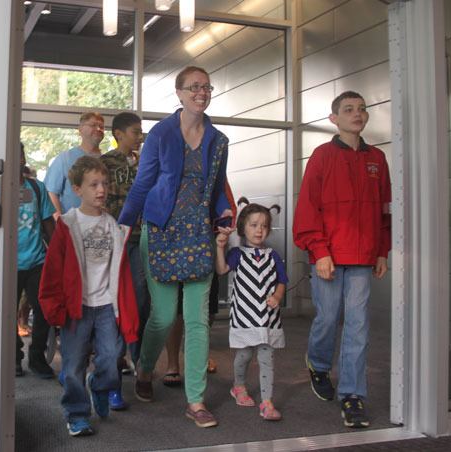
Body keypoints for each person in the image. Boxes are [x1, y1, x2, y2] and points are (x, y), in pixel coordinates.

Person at [118, 66, 234, 428]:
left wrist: (224, 213)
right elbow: (143, 184)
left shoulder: (219, 140)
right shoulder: (161, 134)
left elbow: (215, 190)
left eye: (206, 86)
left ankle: (196, 401)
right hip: (162, 231)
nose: (202, 92)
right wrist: (124, 223)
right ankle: (145, 368)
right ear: (179, 93)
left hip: (199, 235)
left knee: (198, 319)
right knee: (164, 316)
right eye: (194, 87)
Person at [293, 91, 391, 428]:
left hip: (364, 257)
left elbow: (385, 211)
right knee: (328, 317)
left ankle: (352, 395)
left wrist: (382, 250)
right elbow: (307, 209)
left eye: (362, 109)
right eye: (348, 109)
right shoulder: (321, 156)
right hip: (329, 257)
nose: (357, 114)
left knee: (358, 326)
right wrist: (319, 251)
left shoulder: (377, 158)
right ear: (334, 119)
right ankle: (318, 364)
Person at [39, 156, 138, 437]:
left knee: (111, 360)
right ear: (77, 188)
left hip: (107, 306)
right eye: (93, 184)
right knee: (72, 366)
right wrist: (55, 307)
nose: (101, 190)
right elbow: (53, 271)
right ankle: (77, 414)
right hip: (77, 307)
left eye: (104, 183)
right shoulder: (68, 225)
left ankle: (99, 385)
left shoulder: (113, 227)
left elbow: (121, 274)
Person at [215, 197, 287, 421]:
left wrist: (277, 296)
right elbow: (222, 269)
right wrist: (220, 247)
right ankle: (238, 386)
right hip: (244, 317)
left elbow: (282, 281)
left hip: (268, 318)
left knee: (267, 358)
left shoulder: (273, 256)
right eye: (254, 225)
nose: (259, 230)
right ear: (243, 228)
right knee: (244, 355)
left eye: (264, 226)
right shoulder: (237, 254)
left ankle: (266, 402)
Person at [100, 111, 148, 410]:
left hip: (141, 241)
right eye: (134, 131)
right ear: (118, 133)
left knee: (141, 302)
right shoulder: (104, 164)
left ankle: (139, 360)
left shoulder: (145, 162)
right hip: (114, 243)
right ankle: (112, 376)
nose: (139, 136)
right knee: (114, 308)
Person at [16, 144, 56, 378]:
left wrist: (57, 256)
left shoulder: (36, 188)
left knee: (44, 309)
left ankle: (37, 357)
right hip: (7, 264)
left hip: (36, 261)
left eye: (20, 154)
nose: (17, 159)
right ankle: (13, 357)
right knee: (6, 313)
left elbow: (48, 225)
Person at [44, 112, 105, 217]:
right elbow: (51, 192)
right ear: (80, 130)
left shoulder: (107, 160)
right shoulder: (65, 158)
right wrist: (59, 221)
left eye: (101, 127)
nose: (98, 129)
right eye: (93, 125)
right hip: (70, 227)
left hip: (99, 226)